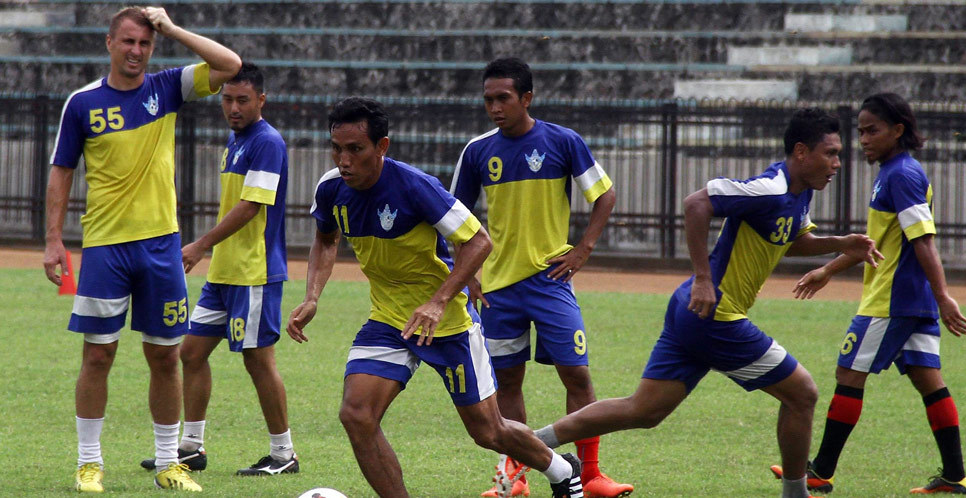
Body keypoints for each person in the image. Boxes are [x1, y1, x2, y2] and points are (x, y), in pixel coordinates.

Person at [532, 108, 884, 498]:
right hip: (716, 315)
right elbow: (697, 203)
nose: (837, 164)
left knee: (643, 411)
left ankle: (533, 441)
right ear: (802, 152)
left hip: (692, 312)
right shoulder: (770, 188)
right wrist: (703, 278)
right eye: (830, 153)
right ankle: (796, 493)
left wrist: (840, 244)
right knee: (802, 393)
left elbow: (789, 239)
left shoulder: (798, 195)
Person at [287, 97, 584, 498]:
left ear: (382, 146)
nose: (344, 160)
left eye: (355, 149)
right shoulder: (331, 189)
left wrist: (439, 300)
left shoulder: (415, 187)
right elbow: (325, 239)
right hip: (391, 321)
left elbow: (478, 241)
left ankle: (563, 470)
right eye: (336, 148)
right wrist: (312, 296)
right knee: (356, 415)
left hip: (448, 324)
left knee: (488, 431)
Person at [43, 6, 240, 493]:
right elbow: (62, 170)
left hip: (161, 246)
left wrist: (171, 27)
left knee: (165, 357)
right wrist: (52, 240)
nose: (136, 51)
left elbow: (229, 65)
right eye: (128, 42)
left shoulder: (167, 87)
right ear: (109, 43)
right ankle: (89, 464)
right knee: (98, 356)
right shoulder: (83, 103)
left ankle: (170, 461)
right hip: (106, 247)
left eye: (145, 44)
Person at [770, 93, 966, 495]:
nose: (863, 138)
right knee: (929, 381)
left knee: (848, 373)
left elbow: (923, 241)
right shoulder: (895, 172)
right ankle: (955, 476)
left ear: (897, 131)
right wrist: (828, 269)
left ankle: (821, 470)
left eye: (872, 130)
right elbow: (879, 243)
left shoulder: (901, 175)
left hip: (892, 300)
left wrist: (945, 295)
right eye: (860, 131)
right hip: (913, 300)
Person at [449, 57, 632, 498]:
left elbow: (603, 193)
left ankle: (591, 477)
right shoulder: (477, 152)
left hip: (551, 281)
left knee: (577, 375)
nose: (494, 107)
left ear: (526, 98)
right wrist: (467, 275)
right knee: (507, 383)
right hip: (496, 289)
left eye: (503, 98)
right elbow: (453, 216)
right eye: (489, 99)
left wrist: (585, 247)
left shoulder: (563, 142)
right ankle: (516, 477)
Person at [136, 62, 299, 476]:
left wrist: (200, 244)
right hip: (225, 273)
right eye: (227, 99)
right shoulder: (237, 140)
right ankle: (191, 446)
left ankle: (284, 455)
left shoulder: (266, 142)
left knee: (258, 361)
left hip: (254, 272)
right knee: (191, 353)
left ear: (261, 99)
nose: (234, 107)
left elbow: (250, 207)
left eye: (243, 100)